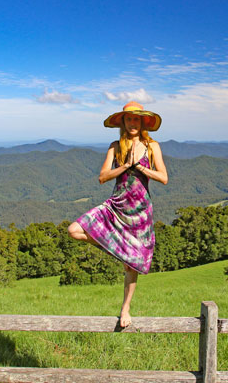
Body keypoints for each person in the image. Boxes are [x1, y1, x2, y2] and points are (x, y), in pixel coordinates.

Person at [68, 101, 168, 328]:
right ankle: (117, 248)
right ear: (122, 122)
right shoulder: (115, 146)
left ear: (142, 122)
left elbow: (163, 177)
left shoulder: (152, 146)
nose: (133, 122)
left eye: (136, 119)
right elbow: (102, 177)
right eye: (129, 118)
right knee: (73, 230)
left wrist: (140, 167)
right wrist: (126, 165)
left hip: (140, 212)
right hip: (116, 205)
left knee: (132, 265)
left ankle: (125, 309)